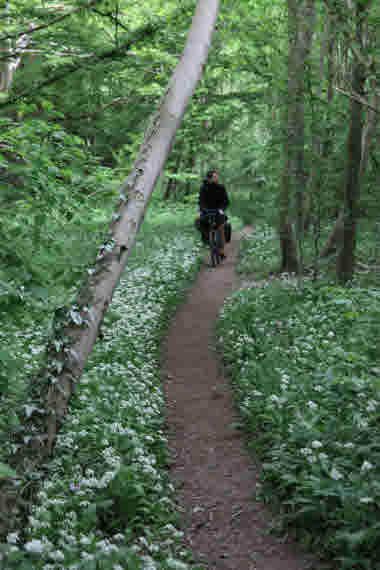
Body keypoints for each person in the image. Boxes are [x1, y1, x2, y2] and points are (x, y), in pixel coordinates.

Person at [198, 169, 230, 258]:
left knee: (220, 228)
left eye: (217, 177)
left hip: (219, 210)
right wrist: (201, 210)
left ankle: (222, 251)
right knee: (200, 223)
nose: (217, 178)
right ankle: (208, 242)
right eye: (215, 177)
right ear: (209, 179)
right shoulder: (203, 188)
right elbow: (201, 201)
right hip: (206, 211)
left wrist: (222, 209)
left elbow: (226, 201)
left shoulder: (221, 187)